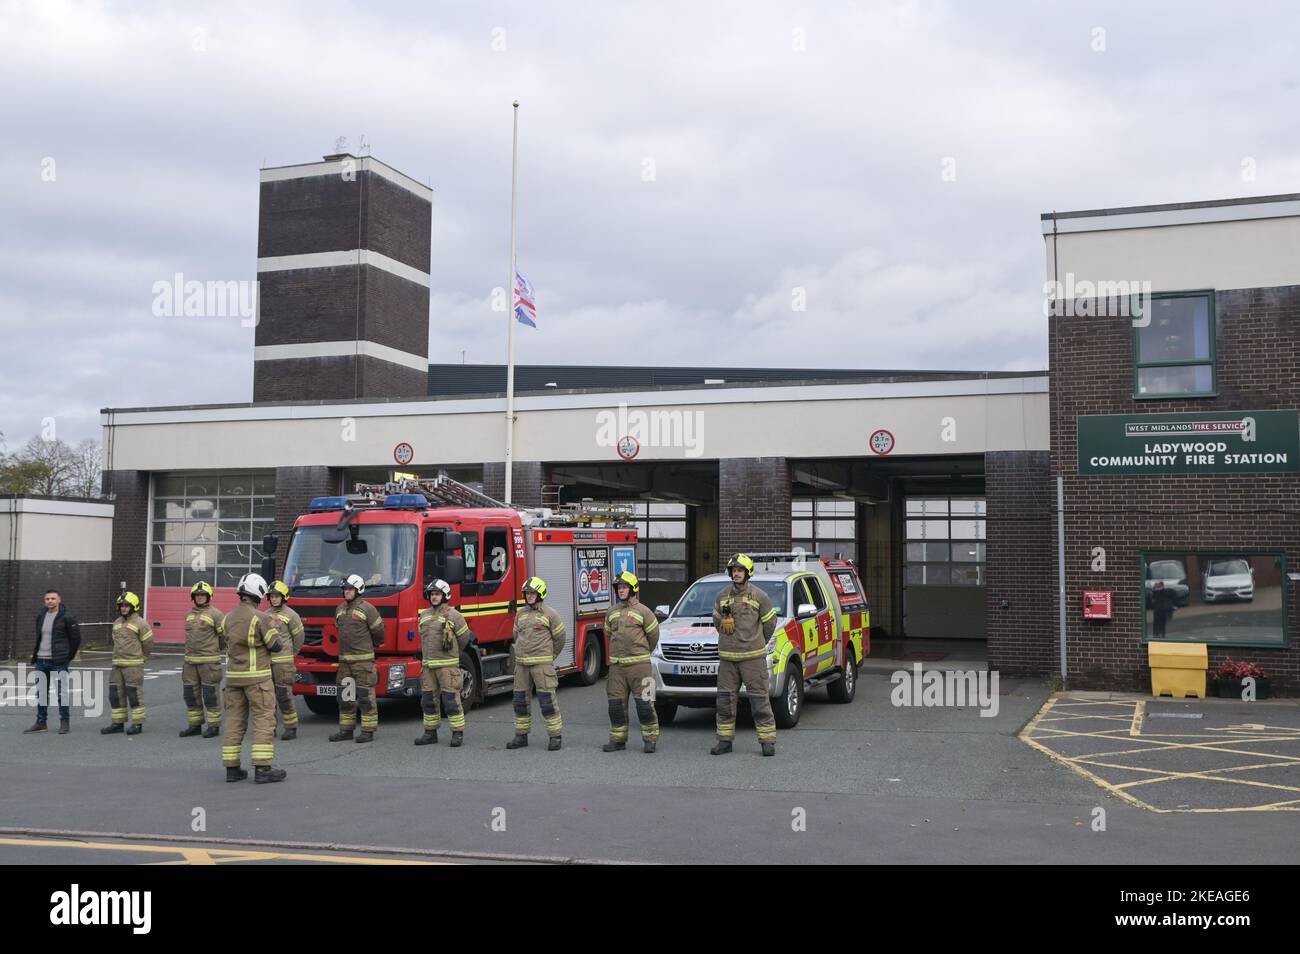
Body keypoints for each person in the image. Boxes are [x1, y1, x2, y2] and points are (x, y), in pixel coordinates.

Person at [220, 572, 287, 783]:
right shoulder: (261, 618)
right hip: (257, 679)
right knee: (263, 721)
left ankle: (232, 769)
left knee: (234, 721)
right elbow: (276, 646)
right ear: (258, 593)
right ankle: (263, 770)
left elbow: (225, 642)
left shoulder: (227, 618)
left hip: (232, 679)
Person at [711, 553, 779, 757]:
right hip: (728, 658)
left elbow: (770, 623)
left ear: (748, 572)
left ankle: (767, 742)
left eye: (740, 570)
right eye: (734, 570)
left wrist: (758, 641)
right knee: (724, 701)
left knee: (759, 700)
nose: (736, 574)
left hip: (752, 658)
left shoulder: (759, 596)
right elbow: (716, 621)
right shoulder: (722, 596)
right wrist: (724, 630)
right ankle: (724, 741)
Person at [602, 571, 661, 753]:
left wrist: (641, 654)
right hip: (617, 668)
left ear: (633, 589)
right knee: (616, 706)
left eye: (624, 587)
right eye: (618, 587)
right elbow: (608, 634)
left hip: (640, 667)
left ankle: (650, 740)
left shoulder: (644, 611)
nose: (621, 590)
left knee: (645, 704)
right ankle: (618, 740)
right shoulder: (611, 612)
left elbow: (654, 636)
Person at [506, 576, 566, 751]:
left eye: (533, 593)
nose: (529, 596)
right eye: (527, 593)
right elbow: (515, 636)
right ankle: (521, 736)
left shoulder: (550, 614)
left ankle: (555, 737)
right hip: (522, 665)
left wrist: (550, 655)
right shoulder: (521, 614)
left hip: (542, 665)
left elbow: (560, 638)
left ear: (541, 594)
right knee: (520, 701)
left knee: (547, 701)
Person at [414, 578, 472, 747]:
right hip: (428, 667)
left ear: (445, 595)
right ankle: (430, 733)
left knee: (451, 700)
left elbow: (464, 639)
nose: (434, 597)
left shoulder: (454, 615)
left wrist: (452, 656)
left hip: (447, 667)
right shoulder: (424, 615)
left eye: (437, 594)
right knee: (428, 701)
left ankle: (457, 733)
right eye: (432, 594)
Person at [329, 573, 385, 743]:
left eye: (350, 589)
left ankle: (368, 731)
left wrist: (372, 647)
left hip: (363, 663)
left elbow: (379, 632)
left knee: (366, 697)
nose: (347, 592)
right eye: (345, 589)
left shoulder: (368, 609)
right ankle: (346, 730)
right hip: (345, 663)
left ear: (358, 589)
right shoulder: (340, 609)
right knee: (346, 698)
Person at [23, 590, 80, 734]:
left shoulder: (67, 617)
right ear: (44, 601)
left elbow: (75, 639)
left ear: (59, 599)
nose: (50, 601)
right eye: (47, 599)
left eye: (53, 598)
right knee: (41, 693)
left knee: (62, 693)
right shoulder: (41, 615)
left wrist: (68, 657)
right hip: (41, 661)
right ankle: (41, 723)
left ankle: (64, 722)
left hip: (59, 662)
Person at [101, 592, 152, 735]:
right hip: (117, 664)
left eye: (126, 605)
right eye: (121, 606)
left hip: (133, 665)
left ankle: (137, 724)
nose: (123, 608)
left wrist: (142, 658)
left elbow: (148, 643)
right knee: (115, 695)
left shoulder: (141, 623)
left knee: (134, 694)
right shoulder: (117, 623)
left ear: (133, 606)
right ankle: (117, 723)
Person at [180, 581, 226, 738]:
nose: (200, 597)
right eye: (197, 595)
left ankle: (213, 727)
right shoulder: (188, 615)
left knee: (210, 695)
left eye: (203, 595)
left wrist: (216, 651)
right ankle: (195, 725)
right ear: (193, 597)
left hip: (209, 663)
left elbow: (224, 637)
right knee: (190, 695)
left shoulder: (216, 614)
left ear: (208, 597)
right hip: (190, 663)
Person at [266, 580, 305, 740]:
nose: (274, 599)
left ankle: (290, 727)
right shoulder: (266, 614)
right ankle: (270, 728)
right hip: (268, 663)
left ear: (284, 597)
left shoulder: (291, 615)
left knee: (284, 695)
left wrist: (292, 654)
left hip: (284, 664)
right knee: (268, 697)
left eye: (277, 596)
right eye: (272, 596)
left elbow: (299, 637)